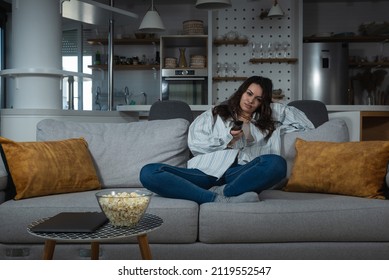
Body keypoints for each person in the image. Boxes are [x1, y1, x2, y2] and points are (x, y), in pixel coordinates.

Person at [140, 76, 314, 204]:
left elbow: (307, 125)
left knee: (277, 164)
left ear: (263, 103)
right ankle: (216, 198)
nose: (250, 101)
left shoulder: (267, 121)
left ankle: (225, 191)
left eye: (258, 99)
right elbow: (195, 144)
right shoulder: (215, 114)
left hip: (242, 172)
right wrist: (228, 139)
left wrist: (272, 107)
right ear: (241, 91)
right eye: (249, 94)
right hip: (206, 171)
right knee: (148, 172)